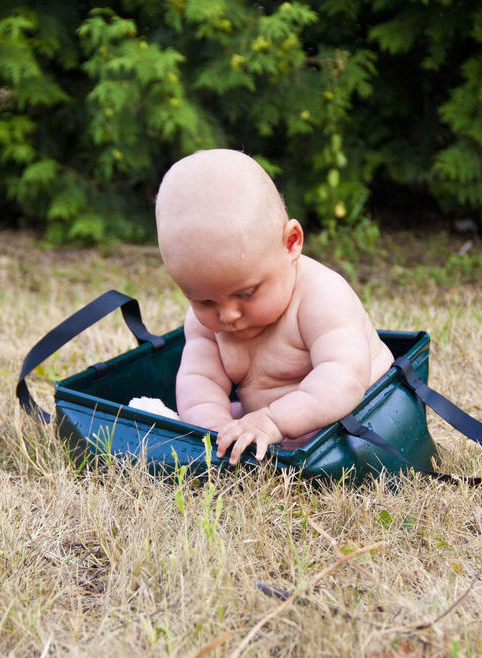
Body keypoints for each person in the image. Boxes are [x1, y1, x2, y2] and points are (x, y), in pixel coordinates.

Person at [155, 148, 394, 466]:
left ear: (291, 242)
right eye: (204, 301)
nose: (228, 315)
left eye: (247, 293)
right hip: (269, 429)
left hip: (354, 427)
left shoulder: (320, 296)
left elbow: (343, 377)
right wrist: (217, 429)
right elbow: (200, 382)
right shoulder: (208, 322)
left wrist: (275, 421)